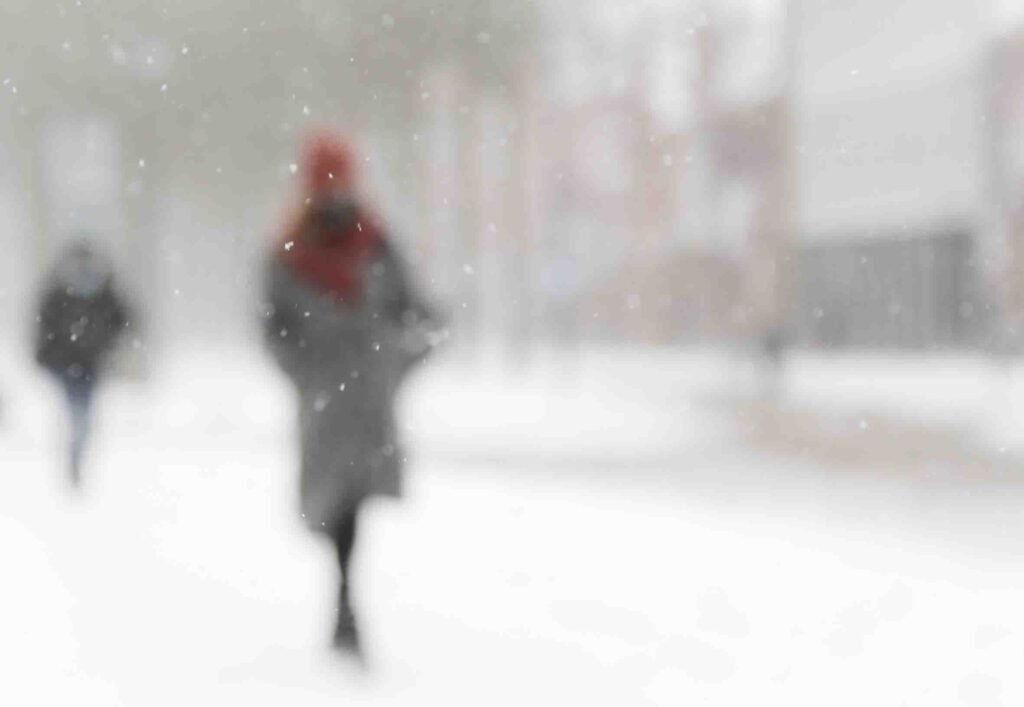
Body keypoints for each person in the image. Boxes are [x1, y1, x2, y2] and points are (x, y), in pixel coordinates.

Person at [262, 131, 442, 657]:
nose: (334, 190)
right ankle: (342, 600)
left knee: (356, 502)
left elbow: (417, 315)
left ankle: (345, 603)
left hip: (369, 400)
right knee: (330, 502)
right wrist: (305, 371)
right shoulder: (288, 252)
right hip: (323, 401)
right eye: (326, 180)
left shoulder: (377, 243)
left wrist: (395, 364)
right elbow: (273, 330)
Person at [35, 240, 130, 489]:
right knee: (78, 413)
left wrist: (110, 345)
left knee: (83, 414)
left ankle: (77, 450)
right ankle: (75, 451)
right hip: (69, 364)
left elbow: (123, 321)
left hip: (89, 364)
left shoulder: (103, 293)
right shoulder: (59, 294)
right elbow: (44, 329)